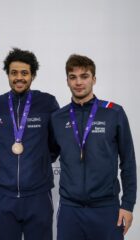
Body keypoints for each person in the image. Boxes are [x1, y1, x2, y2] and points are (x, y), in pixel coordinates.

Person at [51, 54, 137, 240]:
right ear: (67, 81)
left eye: (85, 76)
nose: (79, 82)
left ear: (94, 79)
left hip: (106, 209)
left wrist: (128, 205)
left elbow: (128, 161)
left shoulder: (113, 112)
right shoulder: (58, 118)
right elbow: (46, 154)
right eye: (73, 77)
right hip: (70, 210)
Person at [0, 48, 60, 240]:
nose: (19, 77)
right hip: (2, 196)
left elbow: (55, 142)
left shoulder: (47, 103)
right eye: (14, 73)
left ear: (33, 75)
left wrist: (41, 160)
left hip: (38, 196)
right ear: (8, 75)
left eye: (24, 73)